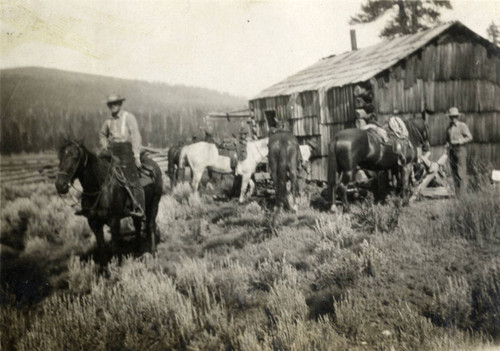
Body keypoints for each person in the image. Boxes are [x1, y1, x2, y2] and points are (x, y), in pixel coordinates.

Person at [99, 93, 145, 218]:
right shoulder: (108, 122)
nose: (112, 106)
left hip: (126, 152)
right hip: (112, 152)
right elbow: (102, 134)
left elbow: (135, 136)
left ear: (120, 104)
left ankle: (139, 208)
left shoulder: (128, 117)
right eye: (110, 104)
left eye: (115, 103)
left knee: (132, 179)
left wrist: (136, 156)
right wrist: (105, 146)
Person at [446, 107, 473, 196]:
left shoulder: (462, 126)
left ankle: (463, 196)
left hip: (460, 150)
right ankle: (457, 195)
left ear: (457, 117)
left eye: (454, 116)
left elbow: (469, 137)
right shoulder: (449, 128)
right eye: (451, 117)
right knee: (454, 173)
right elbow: (447, 140)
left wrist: (459, 141)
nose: (453, 118)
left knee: (461, 172)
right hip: (452, 151)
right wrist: (447, 146)